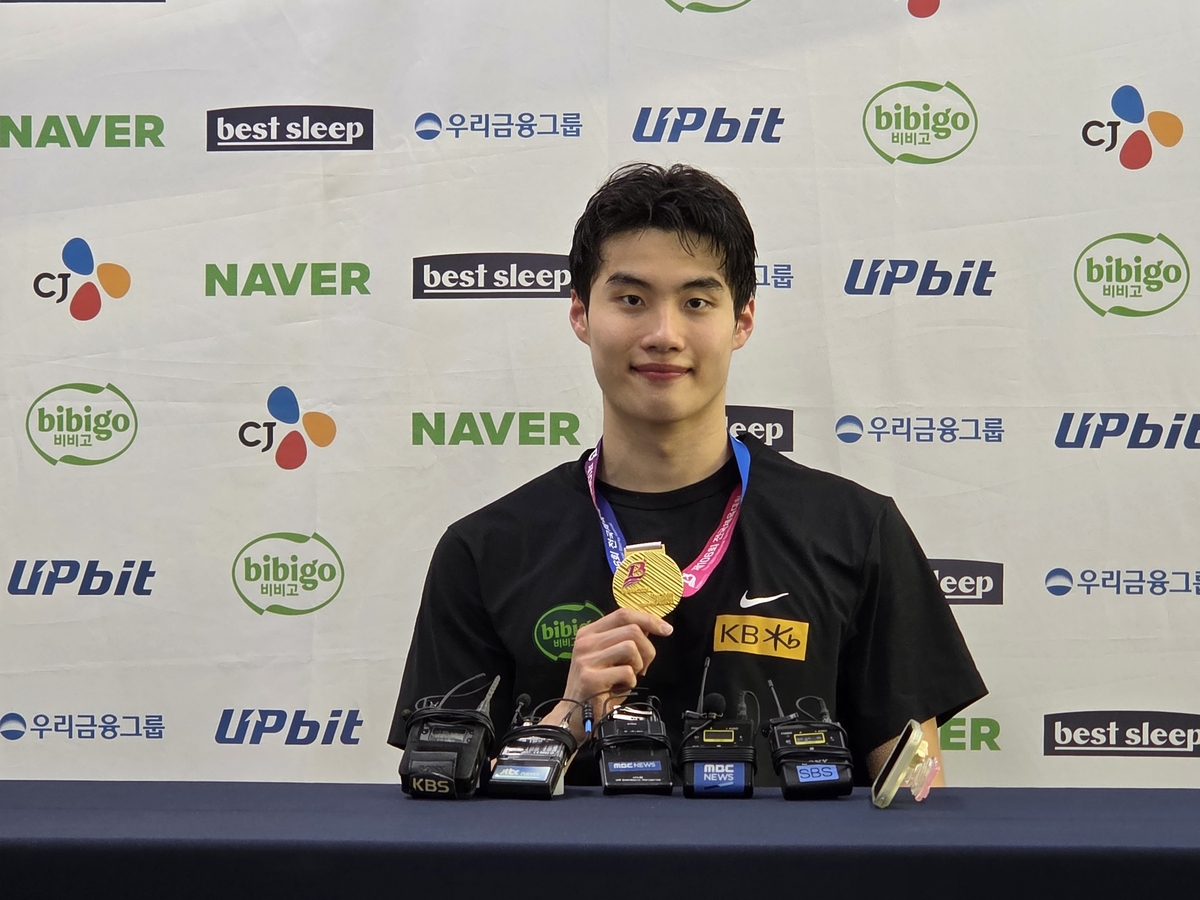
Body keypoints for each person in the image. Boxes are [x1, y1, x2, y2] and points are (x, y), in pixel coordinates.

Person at [388, 163, 986, 785]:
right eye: (631, 300)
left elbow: (915, 798)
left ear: (743, 321)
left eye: (697, 302)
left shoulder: (856, 531)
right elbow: (440, 802)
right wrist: (566, 718)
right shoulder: (484, 550)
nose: (663, 334)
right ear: (580, 315)